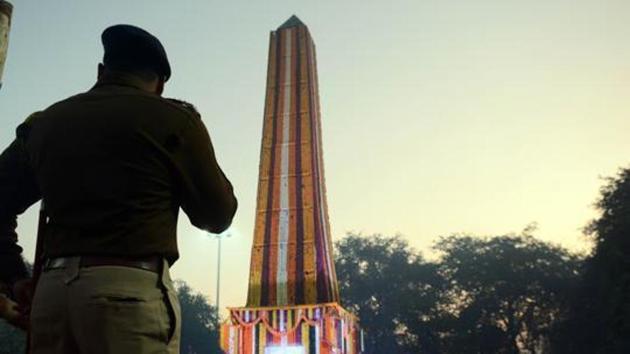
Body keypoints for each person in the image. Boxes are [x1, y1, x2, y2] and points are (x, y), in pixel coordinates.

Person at [0, 24, 237, 353]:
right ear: (160, 83)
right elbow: (217, 216)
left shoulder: (43, 124)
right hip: (128, 293)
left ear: (101, 71)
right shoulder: (173, 120)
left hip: (51, 296)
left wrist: (14, 275)